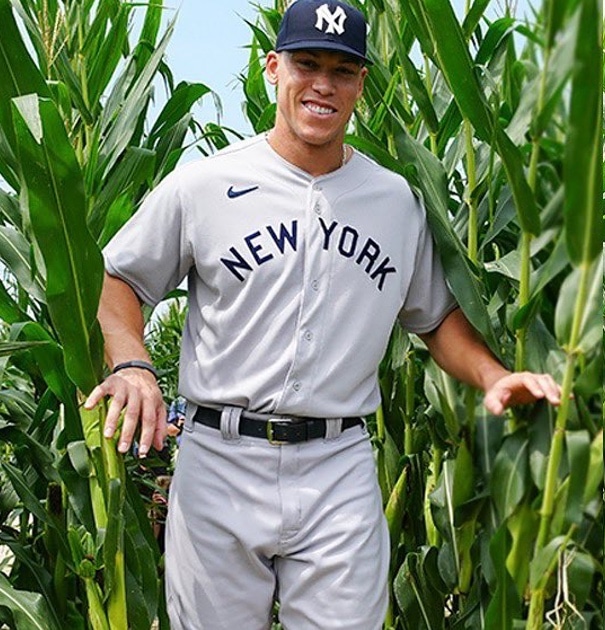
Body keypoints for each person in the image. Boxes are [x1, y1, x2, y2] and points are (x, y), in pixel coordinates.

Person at [82, 1, 562, 626]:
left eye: (342, 70)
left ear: (361, 83)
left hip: (337, 468)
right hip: (219, 462)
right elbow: (119, 279)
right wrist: (134, 366)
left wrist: (496, 378)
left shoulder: (395, 201)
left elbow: (436, 319)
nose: (323, 85)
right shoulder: (204, 185)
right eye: (307, 64)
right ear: (273, 68)